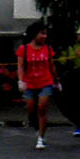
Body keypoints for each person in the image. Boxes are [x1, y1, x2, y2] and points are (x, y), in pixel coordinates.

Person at [16, 21, 58, 149]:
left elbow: (52, 66)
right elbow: (21, 66)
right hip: (30, 83)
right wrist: (21, 80)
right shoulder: (24, 49)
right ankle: (36, 126)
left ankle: (41, 137)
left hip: (45, 82)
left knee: (42, 108)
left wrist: (57, 80)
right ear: (34, 34)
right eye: (42, 33)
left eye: (45, 34)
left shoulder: (48, 49)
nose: (44, 36)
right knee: (31, 110)